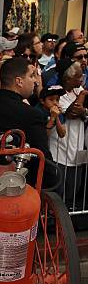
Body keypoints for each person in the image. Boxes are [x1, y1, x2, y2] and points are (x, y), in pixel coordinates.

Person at [0, 57, 53, 180]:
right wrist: (53, 180)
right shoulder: (32, 115)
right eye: (31, 76)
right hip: (16, 186)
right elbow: (42, 159)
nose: (35, 81)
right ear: (19, 81)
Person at [49, 60, 88, 208]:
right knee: (60, 192)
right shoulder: (56, 94)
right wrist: (83, 94)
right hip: (60, 151)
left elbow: (82, 111)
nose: (82, 78)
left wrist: (84, 110)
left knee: (73, 191)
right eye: (78, 76)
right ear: (68, 78)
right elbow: (72, 112)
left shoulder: (77, 91)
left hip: (77, 150)